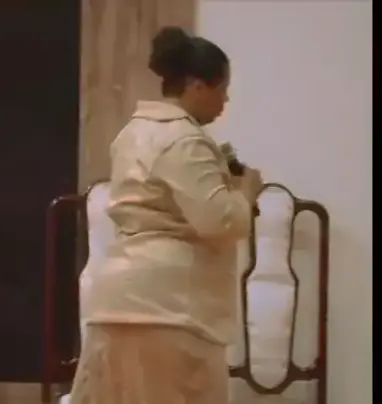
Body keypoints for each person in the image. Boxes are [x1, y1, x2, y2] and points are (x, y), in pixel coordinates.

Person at [68, 26, 264, 404]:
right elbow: (220, 220)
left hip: (118, 300)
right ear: (197, 86)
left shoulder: (132, 133)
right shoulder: (184, 139)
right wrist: (245, 191)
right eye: (222, 89)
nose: (225, 100)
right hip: (170, 307)